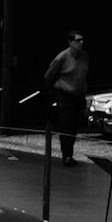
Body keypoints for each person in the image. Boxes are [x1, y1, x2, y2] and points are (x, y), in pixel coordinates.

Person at [43, 30, 90, 164]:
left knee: (74, 126)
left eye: (82, 40)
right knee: (66, 125)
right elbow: (49, 76)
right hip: (65, 95)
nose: (81, 43)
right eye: (77, 40)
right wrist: (54, 92)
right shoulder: (62, 57)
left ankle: (70, 153)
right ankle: (66, 155)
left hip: (78, 95)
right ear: (70, 42)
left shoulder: (84, 56)